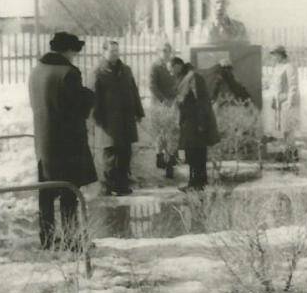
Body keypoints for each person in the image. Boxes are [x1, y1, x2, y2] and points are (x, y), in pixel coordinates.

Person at [29, 31, 97, 250]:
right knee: (69, 192)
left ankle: (47, 239)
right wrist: (90, 95)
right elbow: (76, 108)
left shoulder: (37, 70)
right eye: (74, 50)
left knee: (46, 192)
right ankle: (72, 240)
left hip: (43, 140)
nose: (75, 55)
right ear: (68, 50)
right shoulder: (68, 72)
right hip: (66, 142)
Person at [93, 40, 145, 196]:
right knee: (110, 155)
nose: (115, 54)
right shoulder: (99, 72)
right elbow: (94, 98)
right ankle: (109, 187)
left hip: (126, 119)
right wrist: (98, 119)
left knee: (125, 153)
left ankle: (122, 185)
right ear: (104, 52)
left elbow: (134, 91)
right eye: (112, 51)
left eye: (117, 50)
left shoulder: (126, 70)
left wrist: (139, 112)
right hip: (109, 121)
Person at [171, 57, 220, 192]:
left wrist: (201, 123)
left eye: (173, 67)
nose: (172, 71)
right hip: (189, 122)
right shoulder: (185, 77)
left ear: (179, 65)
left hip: (196, 122)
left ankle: (196, 183)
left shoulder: (193, 78)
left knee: (197, 153)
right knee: (193, 153)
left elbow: (202, 101)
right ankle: (197, 182)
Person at [149, 42, 178, 178]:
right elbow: (152, 86)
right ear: (158, 52)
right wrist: (162, 100)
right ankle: (161, 157)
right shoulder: (155, 67)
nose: (166, 53)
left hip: (172, 103)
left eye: (168, 51)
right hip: (159, 104)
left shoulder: (172, 66)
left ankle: (169, 162)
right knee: (162, 134)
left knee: (171, 134)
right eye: (164, 51)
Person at [268, 45, 300, 160]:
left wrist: (291, 101)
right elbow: (275, 85)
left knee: (289, 128)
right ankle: (288, 151)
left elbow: (293, 85)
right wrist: (274, 99)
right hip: (279, 101)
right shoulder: (277, 67)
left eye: (275, 55)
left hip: (287, 100)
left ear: (281, 54)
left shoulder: (289, 66)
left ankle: (292, 152)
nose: (274, 57)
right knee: (282, 128)